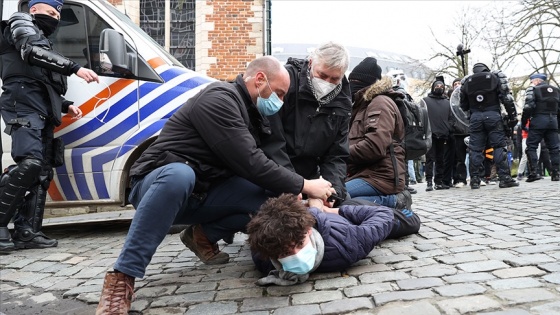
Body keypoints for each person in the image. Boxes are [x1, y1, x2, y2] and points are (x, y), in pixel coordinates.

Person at [94, 56, 336, 314]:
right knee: (179, 175)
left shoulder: (254, 115)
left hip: (202, 194)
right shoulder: (219, 98)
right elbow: (250, 162)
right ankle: (122, 277)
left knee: (269, 202)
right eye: (278, 93)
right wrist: (306, 184)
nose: (280, 101)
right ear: (260, 79)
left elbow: (271, 164)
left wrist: (305, 198)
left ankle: (203, 235)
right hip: (156, 186)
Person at [0, 0, 99, 253]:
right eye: (50, 12)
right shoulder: (21, 22)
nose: (54, 18)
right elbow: (30, 53)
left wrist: (65, 105)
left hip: (41, 109)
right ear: (34, 10)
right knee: (29, 164)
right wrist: (74, 68)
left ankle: (27, 231)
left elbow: (40, 81)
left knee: (42, 171)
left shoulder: (42, 37)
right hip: (22, 104)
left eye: (57, 14)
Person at [261, 42, 352, 205]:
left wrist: (333, 192)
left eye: (334, 79)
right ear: (311, 64)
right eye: (322, 76)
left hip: (310, 174)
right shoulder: (287, 82)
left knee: (344, 207)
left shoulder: (342, 101)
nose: (327, 83)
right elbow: (272, 141)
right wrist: (295, 186)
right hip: (274, 172)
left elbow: (336, 154)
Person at [247, 193, 395, 285]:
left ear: (309, 231)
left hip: (340, 211)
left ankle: (394, 198)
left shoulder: (347, 244)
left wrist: (331, 210)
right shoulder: (264, 260)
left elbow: (384, 213)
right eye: (285, 253)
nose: (297, 255)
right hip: (304, 210)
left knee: (409, 222)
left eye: (300, 244)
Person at [344, 57, 412, 211]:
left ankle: (395, 201)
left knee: (336, 196)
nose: (351, 85)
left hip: (380, 178)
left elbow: (374, 147)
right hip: (364, 175)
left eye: (355, 80)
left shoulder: (379, 103)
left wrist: (340, 152)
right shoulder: (362, 106)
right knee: (334, 196)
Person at [460, 63, 519, 189]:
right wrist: (512, 116)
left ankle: (475, 179)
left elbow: (463, 105)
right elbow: (507, 98)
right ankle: (504, 178)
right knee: (498, 146)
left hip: (475, 117)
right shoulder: (495, 77)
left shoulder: (467, 82)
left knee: (475, 149)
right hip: (493, 115)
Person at [522, 73, 560, 182]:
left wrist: (524, 122)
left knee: (531, 146)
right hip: (553, 121)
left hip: (538, 121)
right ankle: (556, 173)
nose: (532, 83)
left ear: (537, 80)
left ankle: (534, 172)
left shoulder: (534, 90)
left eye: (532, 81)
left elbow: (528, 107)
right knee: (554, 149)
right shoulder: (556, 90)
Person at [423, 79, 453, 191]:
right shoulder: (425, 101)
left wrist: (448, 128)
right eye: (437, 85)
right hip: (430, 134)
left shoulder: (447, 102)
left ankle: (438, 181)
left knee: (441, 159)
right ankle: (429, 181)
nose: (439, 87)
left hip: (443, 134)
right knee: (430, 158)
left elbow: (451, 118)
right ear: (433, 87)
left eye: (441, 86)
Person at [449, 78, 469, 188]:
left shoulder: (467, 97)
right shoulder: (451, 102)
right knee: (459, 159)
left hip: (469, 131)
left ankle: (478, 176)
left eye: (459, 83)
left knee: (476, 155)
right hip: (458, 133)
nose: (457, 85)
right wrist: (454, 127)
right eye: (455, 84)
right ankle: (460, 179)